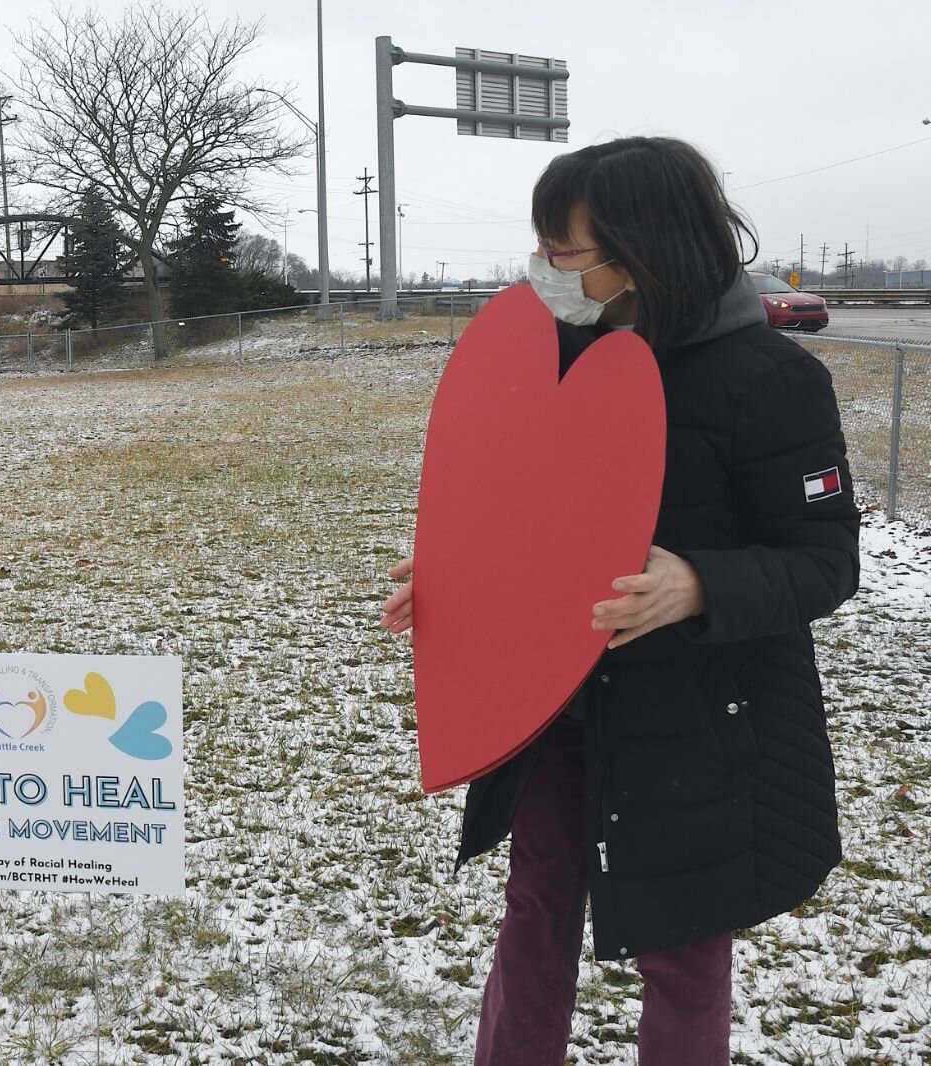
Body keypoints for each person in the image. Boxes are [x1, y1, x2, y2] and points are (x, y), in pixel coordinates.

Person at [380, 136, 860, 1064]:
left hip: (701, 725)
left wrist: (698, 585)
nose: (547, 272)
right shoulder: (549, 364)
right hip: (554, 706)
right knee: (537, 918)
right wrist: (447, 578)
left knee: (682, 954)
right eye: (544, 248)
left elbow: (825, 560)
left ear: (647, 248)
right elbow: (511, 523)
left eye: (567, 252)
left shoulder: (771, 382)